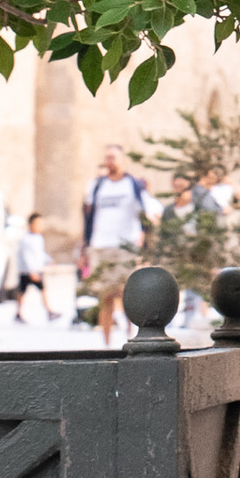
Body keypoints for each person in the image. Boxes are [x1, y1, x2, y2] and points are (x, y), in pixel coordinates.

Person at [77, 145, 152, 343]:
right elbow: (88, 216)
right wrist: (85, 246)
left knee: (127, 293)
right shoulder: (97, 185)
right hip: (101, 245)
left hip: (125, 246)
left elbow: (144, 215)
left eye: (113, 157)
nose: (110, 161)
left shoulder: (133, 185)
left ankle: (131, 336)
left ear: (122, 160)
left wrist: (145, 246)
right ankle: (107, 342)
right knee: (105, 295)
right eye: (107, 158)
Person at [13, 214, 51, 324]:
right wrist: (31, 271)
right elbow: (27, 257)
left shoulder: (39, 238)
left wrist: (49, 260)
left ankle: (48, 311)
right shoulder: (25, 239)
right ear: (31, 225)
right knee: (22, 292)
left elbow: (40, 253)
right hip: (27, 271)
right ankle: (19, 313)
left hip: (36, 269)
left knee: (41, 290)